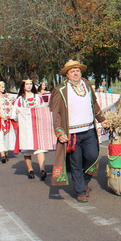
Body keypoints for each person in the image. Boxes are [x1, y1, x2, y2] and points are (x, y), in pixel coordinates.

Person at [49, 60, 108, 203]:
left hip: (89, 130)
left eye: (77, 70)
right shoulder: (60, 89)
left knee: (93, 157)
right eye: (72, 71)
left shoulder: (87, 85)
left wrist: (102, 120)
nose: (75, 73)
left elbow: (94, 104)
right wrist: (59, 131)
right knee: (76, 163)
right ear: (67, 74)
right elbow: (55, 112)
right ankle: (80, 191)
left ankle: (85, 181)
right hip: (72, 133)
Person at [11, 79, 48, 180]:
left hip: (37, 126)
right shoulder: (19, 100)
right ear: (23, 86)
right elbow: (14, 115)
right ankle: (30, 170)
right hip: (25, 127)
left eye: (30, 84)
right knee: (27, 149)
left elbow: (43, 110)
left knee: (40, 148)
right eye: (27, 84)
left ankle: (42, 170)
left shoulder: (38, 98)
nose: (29, 86)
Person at [0, 81, 15, 163]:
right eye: (1, 87)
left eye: (3, 87)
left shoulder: (6, 97)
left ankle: (6, 152)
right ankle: (2, 155)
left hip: (6, 119)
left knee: (7, 136)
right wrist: (1, 116)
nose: (3, 88)